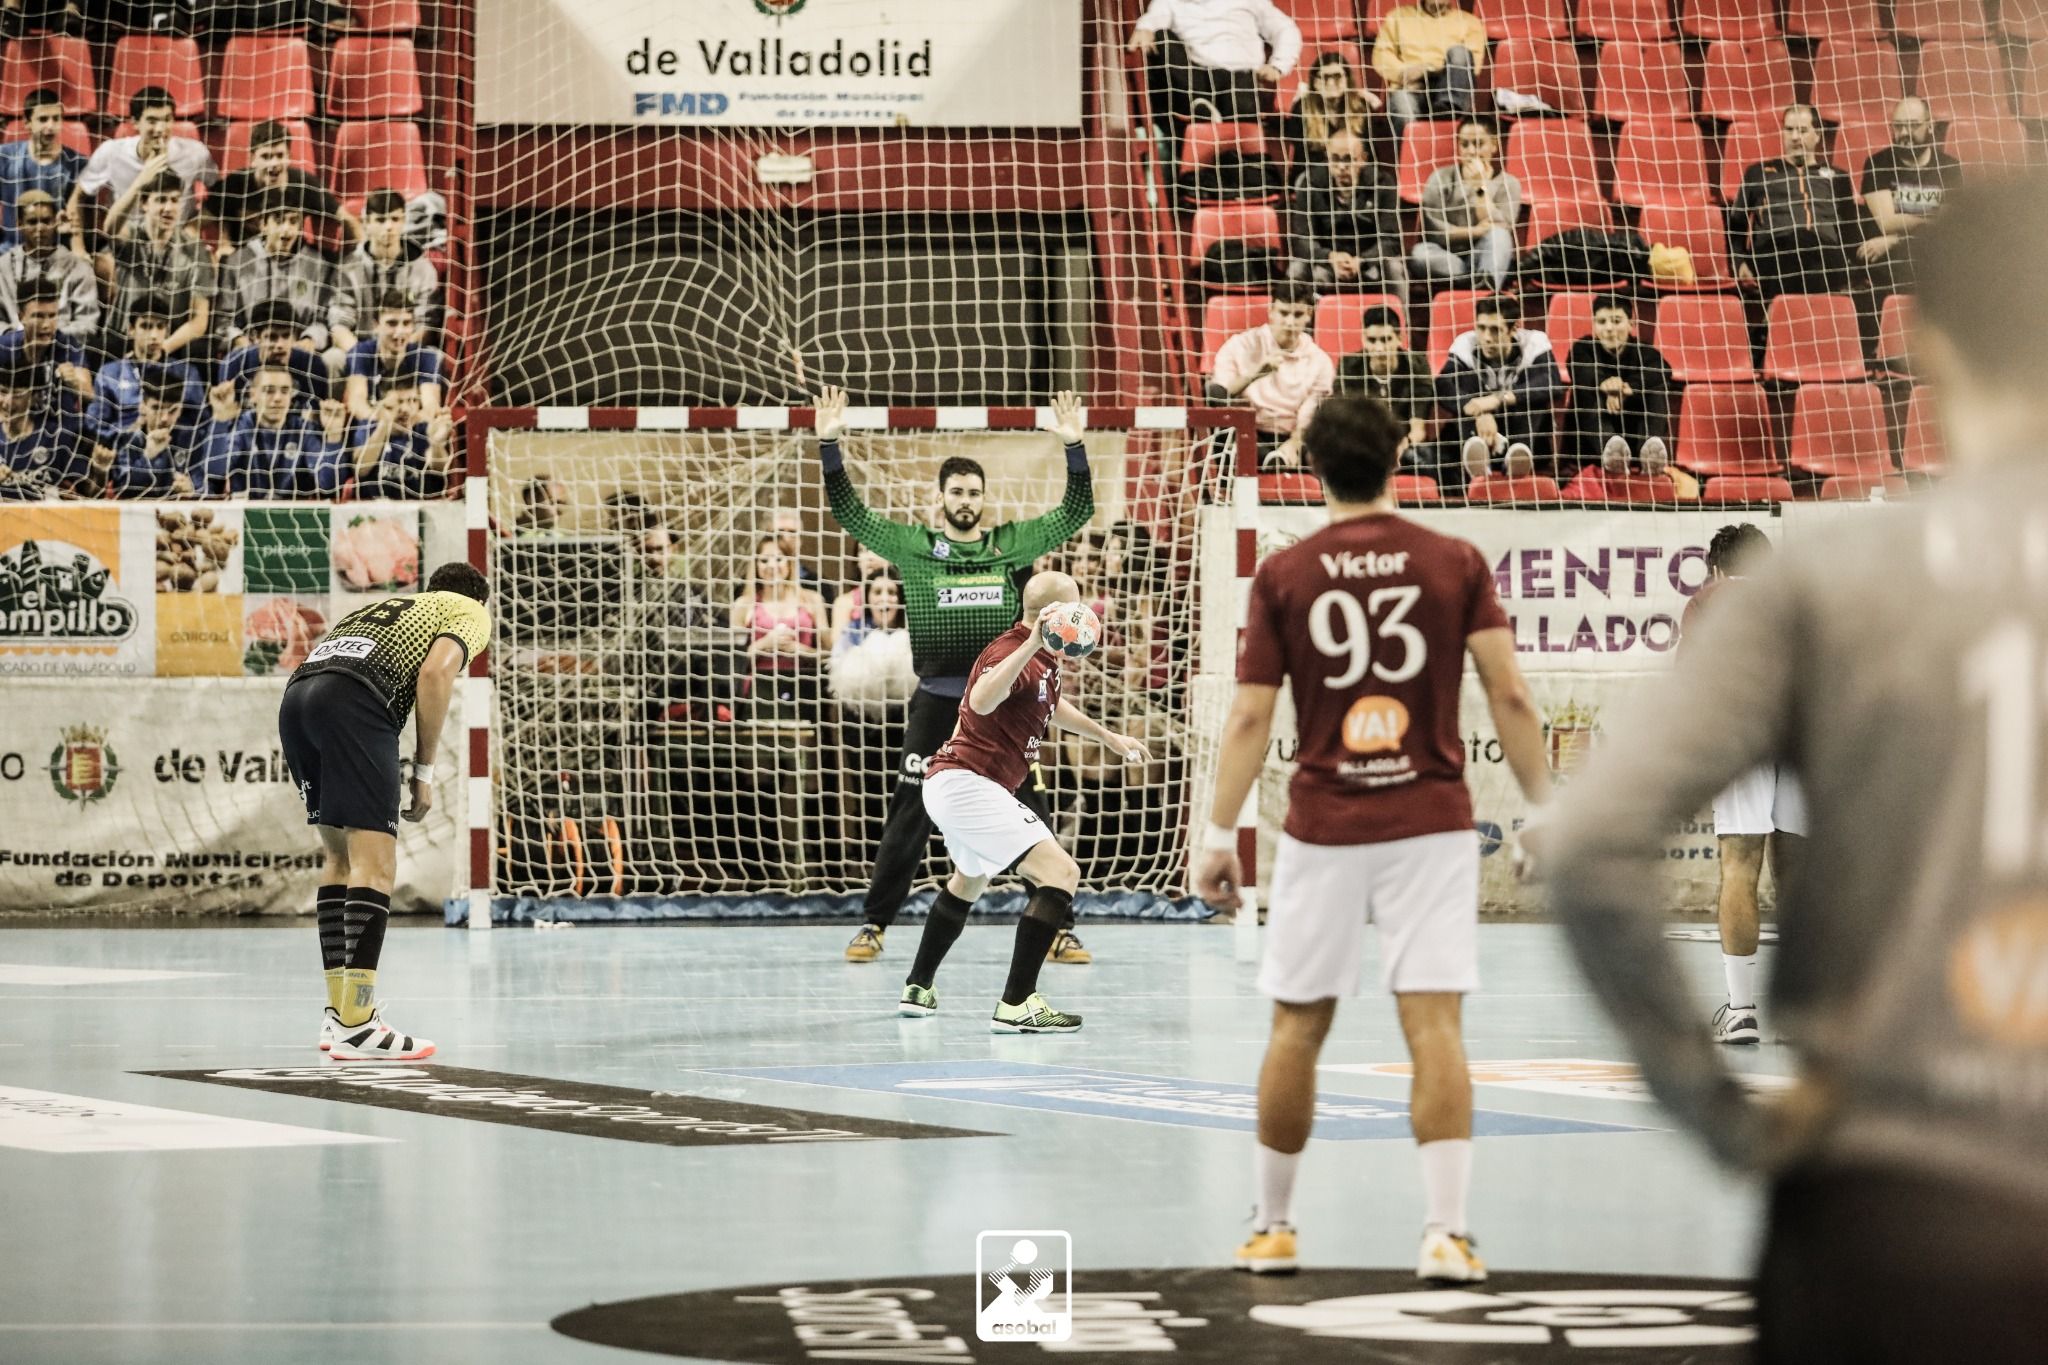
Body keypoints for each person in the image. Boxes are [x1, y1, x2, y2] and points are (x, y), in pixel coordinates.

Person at [1542, 176, 2048, 1365]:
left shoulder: (1827, 580)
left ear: (1920, 344)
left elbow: (1585, 842)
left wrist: (1719, 1117)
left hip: (1892, 1183)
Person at [1194, 394, 1551, 1280]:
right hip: (1430, 824)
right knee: (1434, 1024)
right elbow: (1510, 693)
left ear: (1312, 466)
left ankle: (1274, 1228)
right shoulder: (1454, 559)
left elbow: (1249, 717)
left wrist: (1218, 832)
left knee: (1296, 1025)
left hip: (1324, 826)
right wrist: (1547, 810)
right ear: (1399, 457)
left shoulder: (1286, 574)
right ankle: (1446, 1234)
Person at [815, 385, 1097, 965]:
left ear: (984, 499)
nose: (966, 500)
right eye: (957, 491)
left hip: (1004, 704)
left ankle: (1059, 926)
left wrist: (1073, 445)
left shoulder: (1009, 545)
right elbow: (850, 513)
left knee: (1030, 809)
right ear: (940, 497)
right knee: (909, 811)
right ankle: (874, 924)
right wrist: (829, 444)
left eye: (974, 492)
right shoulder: (913, 547)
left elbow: (1075, 512)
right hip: (937, 699)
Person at [898, 570, 1150, 1031]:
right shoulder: (1012, 650)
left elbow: (1050, 704)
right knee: (1061, 872)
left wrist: (1108, 737)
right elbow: (981, 699)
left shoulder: (1044, 662)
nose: (1084, 615)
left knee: (968, 881)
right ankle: (1018, 1003)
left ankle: (918, 987)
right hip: (968, 783)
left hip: (962, 785)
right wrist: (1033, 641)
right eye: (1076, 606)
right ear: (1053, 613)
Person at [279, 560, 492, 1062]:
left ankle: (339, 1015)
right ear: (479, 600)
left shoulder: (387, 606)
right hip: (354, 701)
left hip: (298, 699)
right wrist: (424, 771)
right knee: (375, 866)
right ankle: (358, 1025)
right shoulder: (468, 611)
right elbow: (435, 673)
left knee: (340, 861)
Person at [1675, 523, 1806, 1045]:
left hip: (1743, 735)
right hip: (1802, 740)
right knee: (1799, 877)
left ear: (1715, 568)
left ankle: (1742, 1010)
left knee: (1739, 865)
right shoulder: (1801, 594)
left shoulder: (1709, 599)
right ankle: (1802, 1013)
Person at [1727, 103, 1872, 301]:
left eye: (1802, 130)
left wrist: (1858, 269)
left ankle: (1776, 312)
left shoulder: (1838, 177)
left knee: (1806, 243)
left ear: (1817, 135)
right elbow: (1736, 224)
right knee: (1798, 243)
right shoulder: (1758, 173)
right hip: (1772, 254)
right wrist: (1739, 262)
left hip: (1825, 254)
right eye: (1789, 130)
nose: (1795, 137)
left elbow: (1850, 228)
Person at [1208, 280, 1336, 469]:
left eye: (1298, 315)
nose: (1290, 322)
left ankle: (1274, 460)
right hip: (1245, 432)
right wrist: (1255, 373)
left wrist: (1293, 444)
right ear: (1271, 311)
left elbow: (1308, 415)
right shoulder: (1240, 345)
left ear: (1309, 315)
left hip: (1292, 437)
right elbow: (1219, 394)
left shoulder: (1320, 361)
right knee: (1213, 394)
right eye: (1283, 313)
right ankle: (1268, 459)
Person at [1434, 293, 1556, 488]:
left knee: (1533, 391)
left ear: (1513, 328)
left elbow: (1552, 382)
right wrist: (1479, 410)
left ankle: (1518, 454)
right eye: (1481, 328)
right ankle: (1478, 459)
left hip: (1521, 429)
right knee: (1464, 381)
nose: (1486, 338)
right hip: (1478, 429)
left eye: (1495, 330)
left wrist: (1499, 398)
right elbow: (1443, 386)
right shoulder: (1466, 343)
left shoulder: (1534, 341)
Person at [68, 86, 215, 238]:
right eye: (152, 121)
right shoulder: (111, 152)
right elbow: (77, 197)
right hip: (126, 241)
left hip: (177, 240)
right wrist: (78, 246)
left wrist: (194, 226)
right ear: (135, 123)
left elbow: (222, 195)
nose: (160, 129)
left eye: (167, 119)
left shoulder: (194, 152)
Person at [97, 169, 214, 358]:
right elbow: (109, 227)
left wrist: (163, 349)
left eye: (175, 200)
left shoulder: (195, 251)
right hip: (123, 339)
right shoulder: (130, 237)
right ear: (144, 203)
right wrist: (138, 184)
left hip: (168, 343)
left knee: (202, 351)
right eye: (161, 200)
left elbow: (199, 320)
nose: (168, 208)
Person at [1127, 0, 1302, 126]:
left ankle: (1241, 153)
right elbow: (1153, 18)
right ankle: (1200, 107)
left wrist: (1278, 65)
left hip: (1240, 76)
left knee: (1239, 114)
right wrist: (1145, 28)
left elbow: (1285, 29)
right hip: (1195, 79)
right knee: (1161, 37)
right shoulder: (1170, 2)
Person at [1858, 97, 1961, 297]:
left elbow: (1948, 225)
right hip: (1890, 263)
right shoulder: (1878, 164)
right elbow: (1887, 223)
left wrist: (1895, 239)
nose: (1905, 133)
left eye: (1913, 125)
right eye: (1898, 126)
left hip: (1930, 255)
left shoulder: (1949, 167)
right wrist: (1930, 220)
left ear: (1930, 126)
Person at [197, 363, 348, 498]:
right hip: (245, 512)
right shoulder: (242, 425)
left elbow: (329, 484)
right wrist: (220, 420)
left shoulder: (303, 429)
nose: (277, 398)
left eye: (284, 391)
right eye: (269, 391)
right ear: (253, 395)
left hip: (293, 514)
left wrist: (334, 435)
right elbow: (214, 471)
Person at [218, 190, 337, 361]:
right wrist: (238, 339)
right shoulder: (238, 262)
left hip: (298, 352)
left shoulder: (316, 264)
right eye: (279, 221)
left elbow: (322, 319)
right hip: (251, 351)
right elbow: (224, 319)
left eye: (293, 221)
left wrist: (310, 339)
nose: (286, 229)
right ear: (263, 225)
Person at [203, 119, 352, 253]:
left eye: (280, 156)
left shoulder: (304, 184)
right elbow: (195, 226)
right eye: (266, 156)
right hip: (246, 265)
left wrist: (354, 256)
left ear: (289, 157)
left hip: (292, 263)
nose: (274, 163)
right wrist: (218, 252)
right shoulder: (234, 184)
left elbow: (346, 218)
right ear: (253, 158)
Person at [1287, 131, 1408, 298]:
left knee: (1394, 267)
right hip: (1326, 262)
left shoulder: (1382, 183)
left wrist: (1362, 260)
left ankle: (1400, 315)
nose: (1342, 166)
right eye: (1335, 159)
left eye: (1348, 159)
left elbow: (1391, 239)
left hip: (1369, 263)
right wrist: (1330, 257)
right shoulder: (1310, 184)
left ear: (1363, 159)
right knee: (1297, 268)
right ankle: (1299, 314)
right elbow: (1302, 239)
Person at [1565, 293, 1672, 478]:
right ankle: (1611, 450)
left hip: (1633, 441)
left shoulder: (1645, 352)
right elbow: (1581, 370)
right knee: (1585, 389)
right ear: (1594, 325)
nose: (1609, 328)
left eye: (1616, 321)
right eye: (1602, 322)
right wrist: (1604, 384)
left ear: (1631, 324)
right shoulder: (1583, 348)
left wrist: (1628, 389)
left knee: (1656, 387)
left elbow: (1664, 370)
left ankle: (1650, 452)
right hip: (1591, 446)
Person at [1413, 116, 1519, 291]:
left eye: (1478, 144)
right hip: (1446, 256)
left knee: (1499, 237)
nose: (1471, 151)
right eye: (1464, 144)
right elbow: (1434, 231)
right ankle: (1477, 280)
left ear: (1494, 145)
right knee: (1419, 254)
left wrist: (1479, 187)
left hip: (1484, 254)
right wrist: (1476, 231)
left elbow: (1499, 228)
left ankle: (1485, 289)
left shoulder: (1509, 184)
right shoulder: (1440, 178)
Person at [729, 531, 830, 714]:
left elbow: (829, 654)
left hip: (804, 688)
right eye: (764, 560)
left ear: (789, 563)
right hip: (757, 691)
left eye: (778, 559)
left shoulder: (812, 600)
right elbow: (732, 660)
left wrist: (801, 650)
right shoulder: (744, 604)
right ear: (755, 565)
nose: (772, 566)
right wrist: (764, 644)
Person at [329, 188, 439, 354]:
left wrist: (396, 355)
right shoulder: (348, 268)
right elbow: (339, 325)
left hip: (406, 350)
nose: (389, 227)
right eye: (380, 220)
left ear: (404, 220)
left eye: (395, 219)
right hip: (360, 349)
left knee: (435, 356)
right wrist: (362, 358)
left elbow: (425, 325)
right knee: (333, 357)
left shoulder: (423, 269)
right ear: (366, 222)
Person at [87, 292, 205, 445]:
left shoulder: (187, 373)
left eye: (160, 327)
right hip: (123, 449)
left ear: (167, 331)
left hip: (173, 448)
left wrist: (168, 430)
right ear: (131, 329)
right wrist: (131, 432)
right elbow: (95, 424)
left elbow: (201, 424)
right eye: (146, 326)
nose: (154, 335)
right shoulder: (110, 373)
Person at [1374, 0, 1488, 134]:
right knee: (1403, 108)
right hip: (1411, 87)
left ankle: (1447, 107)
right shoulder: (1397, 17)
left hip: (1450, 86)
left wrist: (1427, 69)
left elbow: (1472, 65)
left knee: (1459, 52)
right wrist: (1403, 74)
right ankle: (1411, 148)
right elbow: (1382, 55)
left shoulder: (1470, 22)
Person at [0, 354, 106, 498]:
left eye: (18, 395)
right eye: (3, 392)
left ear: (34, 398)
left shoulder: (55, 437)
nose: (7, 402)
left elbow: (91, 492)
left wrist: (100, 471)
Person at [1333, 305, 1434, 454]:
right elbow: (1347, 421)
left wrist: (1404, 444)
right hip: (1361, 443)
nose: (1379, 348)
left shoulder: (1417, 366)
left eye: (1386, 339)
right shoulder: (1348, 367)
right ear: (1363, 339)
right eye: (1372, 340)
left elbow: (1418, 428)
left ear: (1399, 339)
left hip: (1405, 444)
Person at [0, 189, 94, 340]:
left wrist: (47, 335)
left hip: (63, 346)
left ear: (55, 222)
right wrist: (17, 336)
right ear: (19, 224)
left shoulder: (78, 267)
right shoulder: (3, 266)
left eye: (46, 221)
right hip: (12, 345)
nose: (40, 228)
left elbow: (88, 324)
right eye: (32, 222)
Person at [0, 91, 84, 251]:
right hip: (10, 251)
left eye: (56, 119)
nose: (51, 126)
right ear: (27, 122)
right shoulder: (4, 157)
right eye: (43, 119)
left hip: (58, 252)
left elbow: (78, 218)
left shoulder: (77, 163)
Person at [342, 292, 445, 421]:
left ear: (413, 326)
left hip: (411, 425)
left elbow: (431, 406)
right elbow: (357, 404)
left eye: (406, 323)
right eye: (392, 323)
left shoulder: (425, 357)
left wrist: (402, 423)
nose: (399, 332)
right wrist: (386, 423)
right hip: (374, 426)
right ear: (376, 325)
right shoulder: (361, 353)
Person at [218, 299, 333, 411]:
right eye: (272, 337)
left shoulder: (313, 366)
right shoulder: (234, 365)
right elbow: (227, 415)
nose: (280, 345)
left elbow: (312, 418)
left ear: (296, 336)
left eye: (286, 336)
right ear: (255, 336)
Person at [349, 378, 454, 499]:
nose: (405, 409)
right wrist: (384, 424)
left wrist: (436, 444)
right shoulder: (369, 427)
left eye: (412, 401)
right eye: (398, 402)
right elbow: (361, 470)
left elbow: (441, 470)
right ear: (383, 405)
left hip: (418, 505)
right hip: (374, 505)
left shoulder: (424, 429)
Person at [0, 277, 92, 414]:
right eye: (38, 316)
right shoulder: (5, 346)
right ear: (21, 317)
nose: (46, 325)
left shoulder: (67, 346)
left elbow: (89, 394)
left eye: (52, 315)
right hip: (15, 422)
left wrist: (74, 381)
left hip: (58, 423)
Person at [102, 368, 199, 498]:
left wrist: (192, 490)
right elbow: (123, 489)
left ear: (180, 410)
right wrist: (148, 456)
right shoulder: (127, 438)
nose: (164, 418)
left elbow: (206, 484)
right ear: (143, 406)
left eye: (172, 411)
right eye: (156, 408)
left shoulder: (190, 438)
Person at [1286, 51, 1382, 166]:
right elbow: (1303, 157)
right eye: (1324, 77)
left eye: (1337, 76)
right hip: (1315, 171)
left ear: (1347, 80)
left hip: (1355, 169)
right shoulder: (1301, 108)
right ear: (1315, 82)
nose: (1331, 83)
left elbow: (1370, 154)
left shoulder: (1362, 107)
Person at [833, 565, 904, 656]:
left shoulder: (911, 630)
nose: (884, 598)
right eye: (877, 592)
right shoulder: (854, 630)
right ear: (867, 598)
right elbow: (837, 658)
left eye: (891, 592)